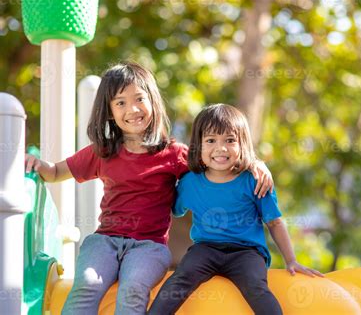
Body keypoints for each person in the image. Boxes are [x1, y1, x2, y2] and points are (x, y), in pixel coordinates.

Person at [25, 62, 273, 315]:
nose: (132, 109)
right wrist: (36, 163)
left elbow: (217, 162)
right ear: (109, 111)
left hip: (149, 246)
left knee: (133, 289)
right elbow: (55, 172)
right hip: (104, 241)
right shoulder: (103, 151)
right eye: (120, 102)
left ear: (153, 101)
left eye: (139, 99)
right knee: (87, 283)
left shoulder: (174, 154)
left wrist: (255, 163)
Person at [148, 103, 324, 315]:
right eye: (211, 140)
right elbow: (172, 210)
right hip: (206, 248)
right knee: (179, 279)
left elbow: (274, 222)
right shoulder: (190, 183)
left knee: (256, 288)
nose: (221, 148)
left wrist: (291, 260)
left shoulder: (255, 181)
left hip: (247, 252)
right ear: (199, 146)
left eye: (230, 140)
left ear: (243, 144)